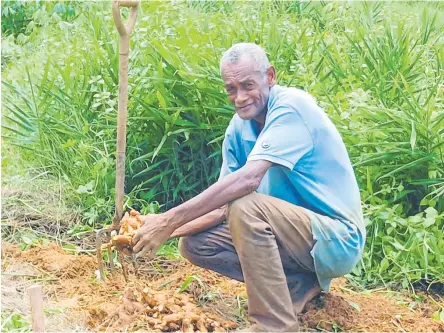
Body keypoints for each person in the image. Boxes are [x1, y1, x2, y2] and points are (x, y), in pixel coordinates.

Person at [132, 43, 366, 332]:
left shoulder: (292, 107)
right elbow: (220, 206)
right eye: (231, 88)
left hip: (337, 239)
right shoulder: (238, 128)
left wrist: (169, 219)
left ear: (270, 76)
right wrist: (155, 230)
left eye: (248, 85)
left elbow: (247, 182)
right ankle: (300, 284)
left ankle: (273, 326)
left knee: (244, 204)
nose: (240, 97)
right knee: (195, 243)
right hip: (295, 240)